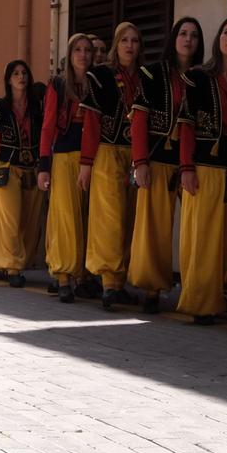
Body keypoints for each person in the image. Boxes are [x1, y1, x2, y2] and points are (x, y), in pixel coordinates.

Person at [176, 16, 227, 323]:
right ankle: (201, 302)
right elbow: (186, 125)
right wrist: (186, 167)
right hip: (204, 167)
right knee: (203, 238)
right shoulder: (198, 76)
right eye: (226, 32)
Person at [129, 18, 204, 313]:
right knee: (154, 227)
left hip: (193, 163)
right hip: (158, 159)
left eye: (194, 35)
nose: (188, 39)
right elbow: (138, 120)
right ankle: (151, 288)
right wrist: (140, 162)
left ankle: (198, 288)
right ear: (173, 38)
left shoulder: (203, 75)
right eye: (183, 33)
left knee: (197, 228)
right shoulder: (152, 73)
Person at [82, 24, 144, 308]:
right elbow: (92, 123)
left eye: (135, 41)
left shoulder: (145, 78)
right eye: (124, 41)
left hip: (135, 153)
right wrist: (86, 163)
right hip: (107, 152)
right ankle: (108, 282)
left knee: (130, 218)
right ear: (116, 45)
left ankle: (120, 283)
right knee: (109, 219)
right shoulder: (101, 76)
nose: (129, 46)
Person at [40, 33, 99, 302]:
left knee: (89, 217)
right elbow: (48, 124)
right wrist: (44, 166)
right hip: (64, 155)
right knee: (65, 218)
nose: (83, 54)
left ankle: (84, 276)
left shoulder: (98, 82)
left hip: (95, 156)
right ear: (70, 53)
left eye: (88, 50)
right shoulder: (58, 85)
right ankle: (64, 276)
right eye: (78, 49)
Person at [0, 60, 44, 287]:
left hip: (33, 167)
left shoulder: (38, 106)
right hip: (6, 168)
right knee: (9, 219)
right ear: (8, 79)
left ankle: (5, 263)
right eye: (16, 73)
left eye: (24, 73)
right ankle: (12, 267)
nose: (21, 77)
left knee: (29, 219)